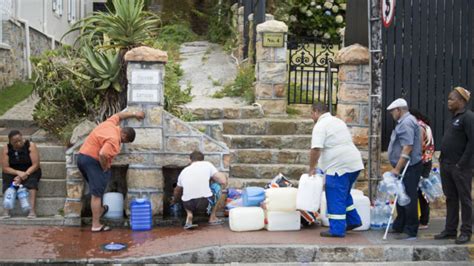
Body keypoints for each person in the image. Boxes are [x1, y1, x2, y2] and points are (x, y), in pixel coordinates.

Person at [78, 110, 145, 232]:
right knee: (97, 194)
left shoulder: (110, 124)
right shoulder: (114, 139)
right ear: (124, 136)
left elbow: (120, 115)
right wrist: (104, 166)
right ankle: (96, 225)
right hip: (93, 161)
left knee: (98, 187)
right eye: (125, 142)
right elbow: (103, 153)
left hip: (82, 157)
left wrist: (135, 113)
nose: (123, 143)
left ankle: (101, 210)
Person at [308, 103, 364, 238]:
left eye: (311, 113)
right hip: (354, 164)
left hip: (338, 167)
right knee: (343, 194)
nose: (311, 116)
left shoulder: (320, 126)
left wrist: (311, 168)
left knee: (334, 195)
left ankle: (337, 230)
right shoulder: (338, 121)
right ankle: (353, 220)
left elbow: (316, 148)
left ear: (316, 112)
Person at [435, 87, 473, 244]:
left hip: (461, 167)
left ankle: (466, 231)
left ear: (462, 101)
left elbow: (472, 142)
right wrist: (442, 160)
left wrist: (461, 163)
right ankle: (450, 230)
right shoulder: (453, 118)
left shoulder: (468, 117)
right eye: (449, 99)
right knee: (450, 198)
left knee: (464, 199)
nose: (448, 102)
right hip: (446, 165)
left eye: (452, 99)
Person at [386, 98, 423, 240]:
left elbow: (407, 147)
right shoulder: (408, 121)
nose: (391, 115)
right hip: (407, 165)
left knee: (408, 197)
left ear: (398, 110)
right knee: (401, 195)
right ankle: (399, 225)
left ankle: (410, 229)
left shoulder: (406, 122)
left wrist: (397, 168)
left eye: (392, 112)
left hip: (409, 166)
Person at [172, 151, 227, 230]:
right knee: (217, 187)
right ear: (203, 159)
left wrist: (174, 200)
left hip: (188, 204)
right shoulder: (207, 165)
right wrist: (220, 176)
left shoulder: (184, 171)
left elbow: (177, 191)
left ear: (190, 160)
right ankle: (212, 218)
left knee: (184, 194)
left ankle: (189, 214)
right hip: (204, 203)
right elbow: (223, 181)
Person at [1, 130, 41, 218]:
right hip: (13, 171)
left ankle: (32, 211)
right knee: (7, 179)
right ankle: (6, 211)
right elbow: (5, 168)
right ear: (10, 142)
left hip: (30, 170)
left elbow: (36, 164)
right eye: (15, 142)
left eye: (20, 140)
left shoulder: (31, 146)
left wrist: (25, 174)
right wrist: (18, 173)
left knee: (32, 182)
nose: (19, 143)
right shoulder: (6, 149)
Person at [409, 109, 435, 229]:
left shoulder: (419, 127)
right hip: (427, 161)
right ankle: (424, 219)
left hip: (421, 162)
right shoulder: (426, 126)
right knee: (422, 191)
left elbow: (418, 147)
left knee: (419, 192)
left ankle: (423, 221)